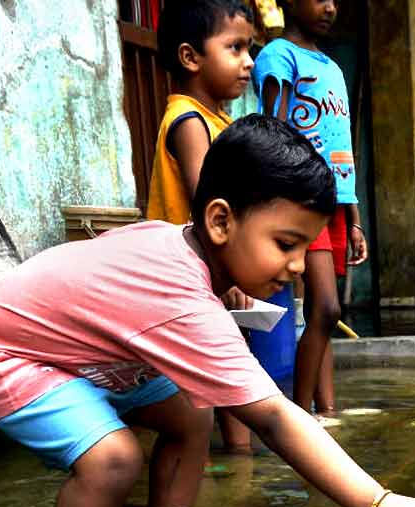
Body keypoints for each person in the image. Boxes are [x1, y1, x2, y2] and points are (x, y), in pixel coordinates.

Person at [0, 116, 415, 507]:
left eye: (303, 247)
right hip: (5, 354)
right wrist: (378, 503)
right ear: (221, 221)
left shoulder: (185, 252)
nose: (296, 266)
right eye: (286, 244)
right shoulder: (184, 301)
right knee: (114, 458)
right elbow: (273, 417)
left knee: (191, 412)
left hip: (78, 352)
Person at [147, 0, 256, 455]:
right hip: (189, 268)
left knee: (230, 360)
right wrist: (225, 267)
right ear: (191, 57)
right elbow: (205, 196)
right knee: (224, 362)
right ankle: (240, 458)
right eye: (234, 47)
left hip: (208, 268)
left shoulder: (218, 119)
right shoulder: (188, 120)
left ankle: (240, 454)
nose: (248, 61)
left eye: (249, 48)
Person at [252, 0, 366, 416]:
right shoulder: (277, 57)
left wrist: (354, 220)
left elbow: (343, 148)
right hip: (301, 198)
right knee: (327, 308)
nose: (331, 7)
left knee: (324, 315)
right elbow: (276, 130)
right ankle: (299, 418)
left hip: (335, 204)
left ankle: (329, 412)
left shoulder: (333, 68)